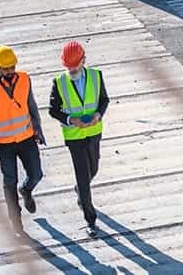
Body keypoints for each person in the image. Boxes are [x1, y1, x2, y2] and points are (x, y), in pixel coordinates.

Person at [0, 45, 46, 238]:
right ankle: (16, 223)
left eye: (12, 67)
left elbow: (31, 105)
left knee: (37, 174)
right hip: (4, 145)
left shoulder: (25, 79)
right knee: (9, 183)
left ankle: (26, 190)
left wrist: (38, 129)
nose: (9, 71)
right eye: (5, 68)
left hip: (27, 139)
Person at [49, 41, 110, 238]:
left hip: (93, 132)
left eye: (75, 65)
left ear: (83, 60)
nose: (72, 69)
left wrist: (98, 115)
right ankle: (90, 219)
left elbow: (104, 100)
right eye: (69, 67)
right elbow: (53, 110)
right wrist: (70, 120)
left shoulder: (96, 76)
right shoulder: (59, 83)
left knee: (94, 169)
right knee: (83, 177)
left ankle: (80, 191)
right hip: (74, 136)